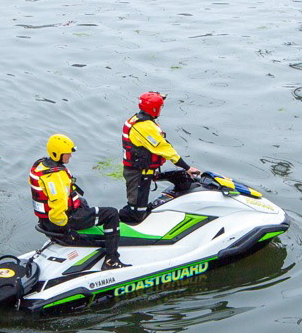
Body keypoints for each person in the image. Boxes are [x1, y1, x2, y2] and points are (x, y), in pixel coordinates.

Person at [29, 133, 123, 269]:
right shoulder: (56, 176)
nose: (70, 156)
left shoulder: (41, 166)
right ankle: (111, 260)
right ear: (57, 154)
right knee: (112, 214)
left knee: (81, 201)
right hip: (61, 221)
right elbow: (57, 209)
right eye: (67, 153)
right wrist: (67, 231)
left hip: (45, 221)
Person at [120, 91, 200, 224]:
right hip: (137, 173)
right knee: (136, 213)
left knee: (141, 205)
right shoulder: (144, 127)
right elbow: (165, 149)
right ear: (154, 109)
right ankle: (117, 222)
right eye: (160, 107)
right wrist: (187, 167)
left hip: (143, 170)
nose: (161, 109)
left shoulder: (139, 119)